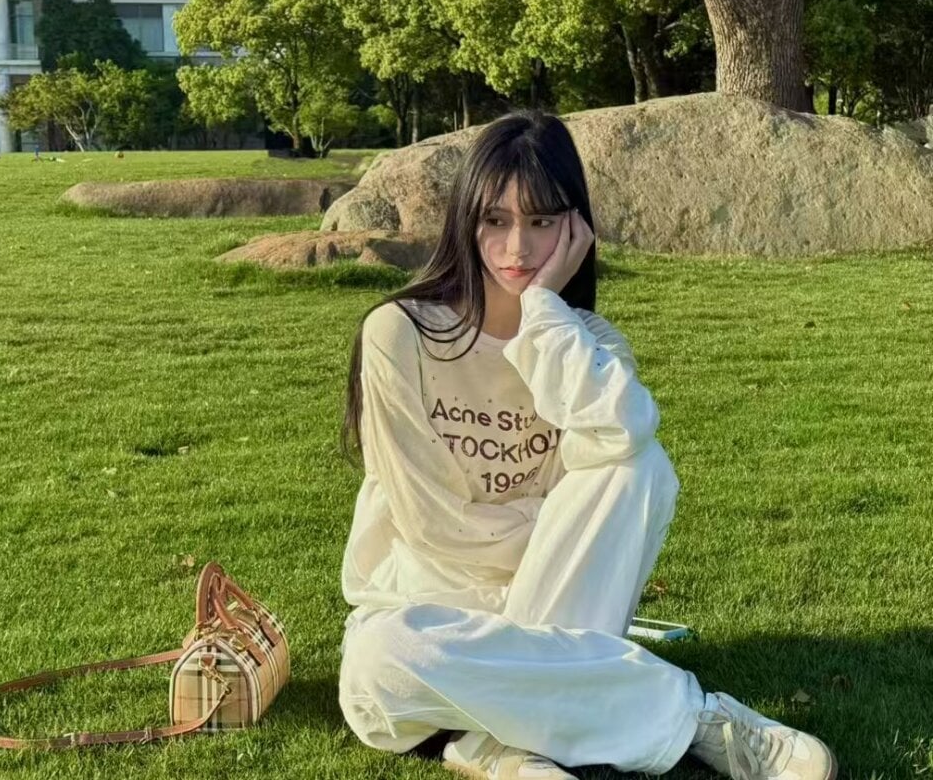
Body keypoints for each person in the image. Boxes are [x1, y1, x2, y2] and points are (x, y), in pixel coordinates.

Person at [337, 110, 837, 780]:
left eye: (542, 221)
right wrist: (553, 530)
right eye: (496, 220)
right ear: (465, 221)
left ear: (575, 228)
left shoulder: (588, 343)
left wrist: (544, 312)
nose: (518, 247)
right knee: (379, 660)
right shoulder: (400, 334)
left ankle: (494, 739)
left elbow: (625, 435)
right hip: (434, 616)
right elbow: (433, 526)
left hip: (548, 605)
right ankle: (690, 717)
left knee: (640, 464)